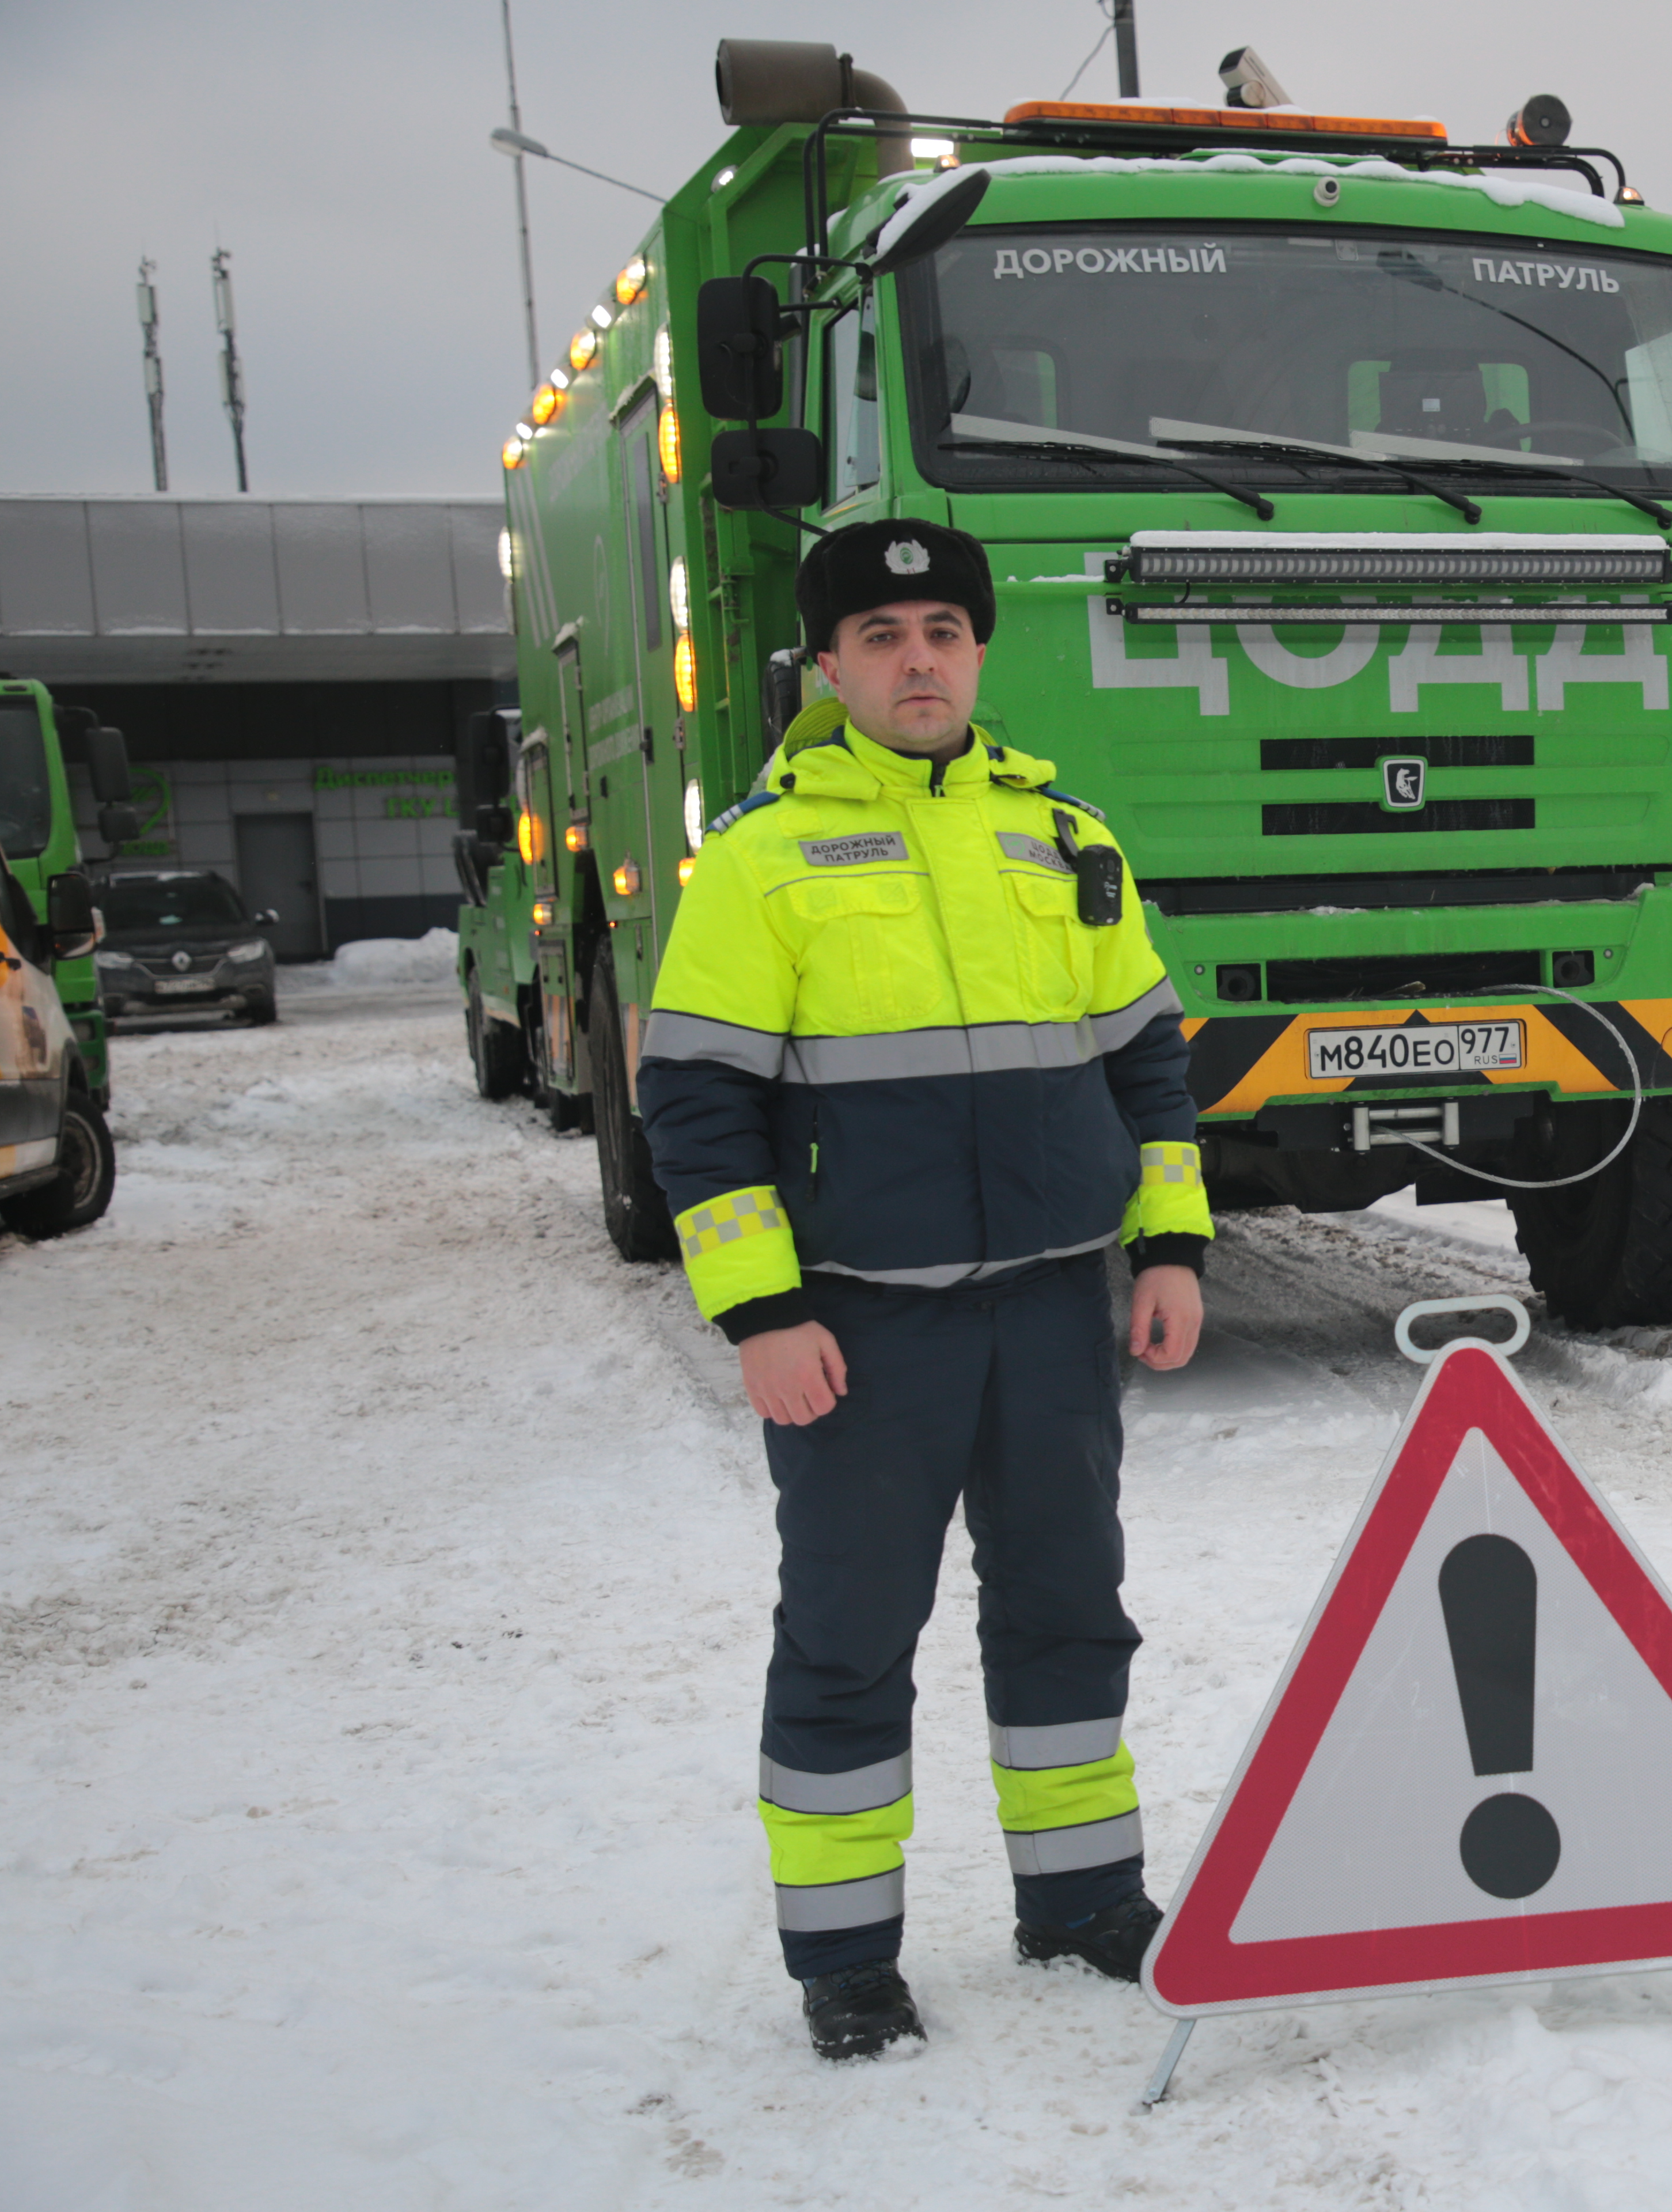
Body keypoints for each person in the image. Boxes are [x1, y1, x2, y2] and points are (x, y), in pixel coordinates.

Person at [637, 519, 1212, 2059]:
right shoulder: (760, 856)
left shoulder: (1064, 834)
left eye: (945, 630)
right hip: (859, 1327)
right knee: (847, 1634)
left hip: (1048, 1309)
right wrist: (762, 1313)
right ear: (826, 665)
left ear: (977, 652)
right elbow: (694, 1103)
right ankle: (844, 1959)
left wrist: (1170, 1245)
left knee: (1068, 1614)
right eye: (883, 634)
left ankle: (1085, 1899)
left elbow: (1145, 1061)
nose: (919, 659)